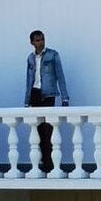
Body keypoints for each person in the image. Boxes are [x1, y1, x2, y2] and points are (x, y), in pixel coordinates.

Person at [24, 30, 70, 173]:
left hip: (48, 94)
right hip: (35, 94)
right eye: (37, 40)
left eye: (42, 39)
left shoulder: (52, 55)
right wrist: (26, 100)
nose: (41, 43)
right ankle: (43, 162)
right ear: (32, 42)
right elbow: (28, 80)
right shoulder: (30, 58)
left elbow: (60, 76)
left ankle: (51, 163)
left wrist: (65, 97)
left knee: (48, 129)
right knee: (37, 130)